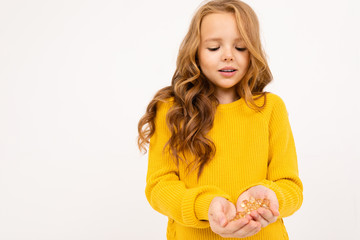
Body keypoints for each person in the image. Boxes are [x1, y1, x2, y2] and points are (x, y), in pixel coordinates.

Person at [137, 0, 303, 239]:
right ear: (195, 51)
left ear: (253, 50)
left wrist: (271, 197)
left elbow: (291, 185)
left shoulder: (271, 108)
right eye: (214, 48)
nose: (228, 56)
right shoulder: (171, 110)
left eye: (241, 47)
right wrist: (205, 207)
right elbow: (159, 187)